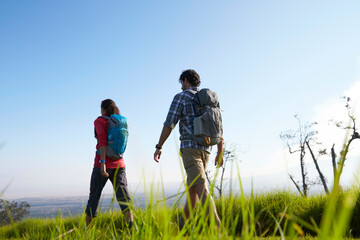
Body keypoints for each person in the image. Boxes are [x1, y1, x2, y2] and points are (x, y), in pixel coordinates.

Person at [153, 69, 224, 228]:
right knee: (193, 189)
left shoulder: (181, 97)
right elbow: (218, 127)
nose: (181, 87)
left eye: (182, 83)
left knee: (201, 188)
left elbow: (169, 123)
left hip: (190, 149)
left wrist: (159, 146)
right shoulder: (209, 98)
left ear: (185, 80)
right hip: (207, 149)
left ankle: (218, 229)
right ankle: (182, 228)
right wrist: (219, 151)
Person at [85, 99, 133, 229]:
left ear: (103, 109)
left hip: (102, 164)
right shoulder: (119, 121)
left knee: (94, 196)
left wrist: (102, 163)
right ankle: (132, 230)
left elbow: (102, 141)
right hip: (120, 165)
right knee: (124, 198)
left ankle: (87, 232)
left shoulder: (100, 121)